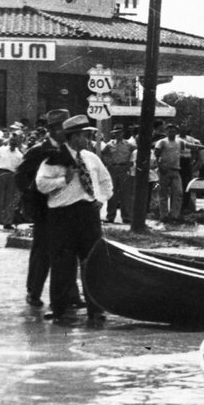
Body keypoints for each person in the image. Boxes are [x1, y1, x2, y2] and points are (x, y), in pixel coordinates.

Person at [35, 115, 114, 323]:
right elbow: (41, 185)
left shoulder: (91, 158)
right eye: (85, 135)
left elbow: (106, 181)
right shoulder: (53, 158)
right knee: (62, 265)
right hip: (62, 216)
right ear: (74, 136)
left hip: (88, 214)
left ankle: (95, 309)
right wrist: (63, 179)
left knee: (92, 262)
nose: (88, 139)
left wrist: (101, 199)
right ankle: (60, 310)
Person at [17, 110, 70, 305]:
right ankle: (34, 292)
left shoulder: (70, 149)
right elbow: (21, 178)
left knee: (66, 252)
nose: (66, 132)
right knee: (42, 252)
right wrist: (35, 200)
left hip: (66, 207)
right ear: (53, 130)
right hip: (44, 209)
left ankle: (70, 295)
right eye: (64, 127)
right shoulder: (37, 150)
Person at [99, 127, 136, 225]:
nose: (118, 135)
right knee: (112, 193)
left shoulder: (129, 145)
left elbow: (135, 154)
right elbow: (103, 154)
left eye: (119, 133)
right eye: (116, 133)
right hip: (113, 169)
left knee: (126, 194)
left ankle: (127, 217)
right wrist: (108, 163)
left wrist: (131, 163)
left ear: (123, 133)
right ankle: (110, 216)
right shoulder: (109, 144)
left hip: (124, 169)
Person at [0, 130, 25, 229]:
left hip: (12, 176)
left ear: (18, 142)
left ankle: (7, 222)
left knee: (10, 200)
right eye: (12, 140)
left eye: (15, 141)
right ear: (9, 140)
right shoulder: (1, 150)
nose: (13, 142)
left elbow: (20, 169)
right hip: (1, 174)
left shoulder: (20, 155)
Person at [154, 124, 185, 222]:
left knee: (178, 192)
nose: (172, 133)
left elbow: (191, 145)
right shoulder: (162, 142)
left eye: (174, 131)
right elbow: (156, 155)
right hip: (164, 170)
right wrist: (160, 166)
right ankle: (164, 215)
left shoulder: (179, 142)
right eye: (169, 131)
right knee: (163, 194)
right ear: (166, 132)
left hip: (176, 170)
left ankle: (174, 215)